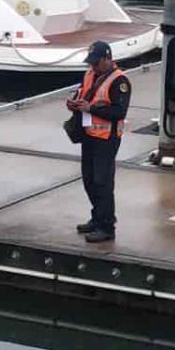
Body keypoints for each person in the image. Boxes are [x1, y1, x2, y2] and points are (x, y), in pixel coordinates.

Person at [66, 40, 131, 243]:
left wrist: (90, 109)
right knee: (89, 179)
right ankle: (98, 217)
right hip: (89, 135)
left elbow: (119, 112)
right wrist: (74, 104)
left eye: (96, 63)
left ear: (106, 59)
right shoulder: (89, 74)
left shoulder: (119, 82)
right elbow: (82, 94)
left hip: (107, 139)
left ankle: (106, 226)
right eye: (91, 63)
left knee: (103, 182)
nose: (92, 67)